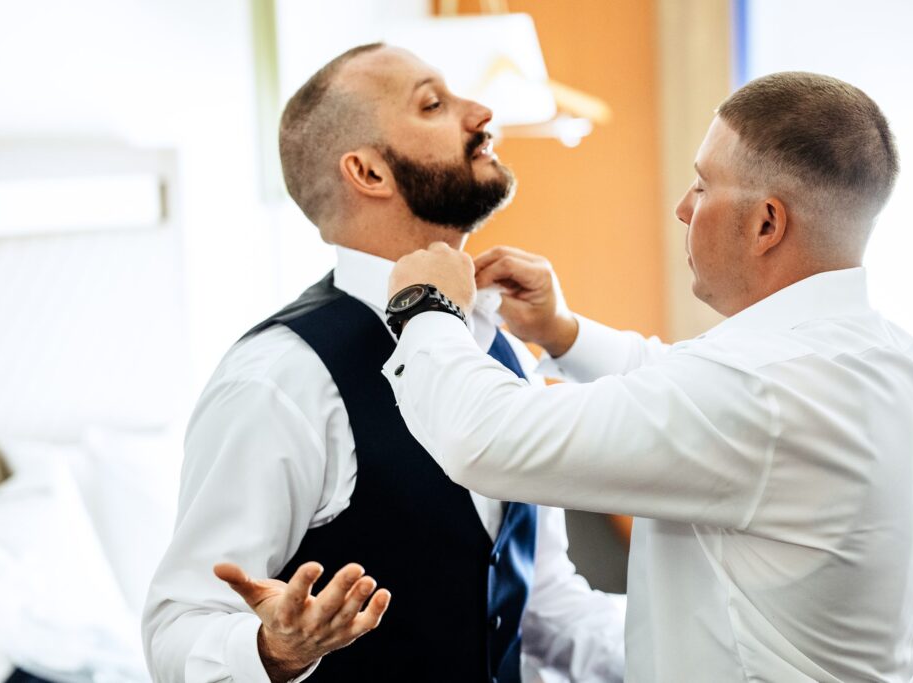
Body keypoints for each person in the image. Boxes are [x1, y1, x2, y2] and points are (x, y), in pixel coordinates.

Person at [381, 72, 913, 682]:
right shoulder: (884, 353)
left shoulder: (760, 390)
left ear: (766, 224)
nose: (682, 207)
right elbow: (682, 387)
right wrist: (561, 330)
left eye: (703, 186)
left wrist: (426, 307)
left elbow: (485, 437)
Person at [142, 43, 624, 683]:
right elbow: (176, 628)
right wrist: (276, 650)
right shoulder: (281, 378)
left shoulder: (501, 348)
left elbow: (539, 605)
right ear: (369, 173)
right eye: (434, 103)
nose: (482, 111)